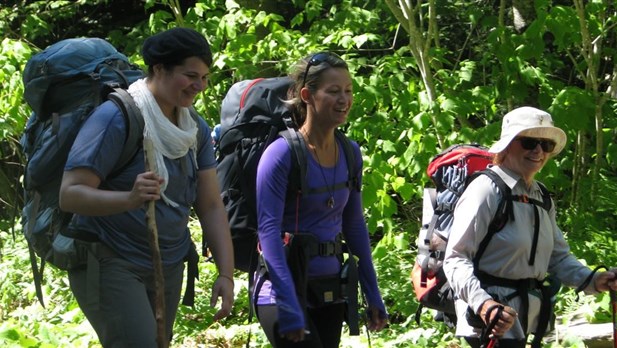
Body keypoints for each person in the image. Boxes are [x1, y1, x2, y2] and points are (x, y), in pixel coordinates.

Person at [59, 27, 235, 347]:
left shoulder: (193, 128)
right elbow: (70, 194)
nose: (200, 86)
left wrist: (226, 274)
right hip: (110, 259)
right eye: (190, 75)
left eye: (205, 77)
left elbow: (210, 204)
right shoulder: (116, 117)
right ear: (159, 69)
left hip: (168, 264)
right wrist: (129, 198)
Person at [442, 106, 617, 347]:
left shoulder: (541, 196)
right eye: (529, 142)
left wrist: (594, 280)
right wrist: (484, 304)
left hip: (527, 320)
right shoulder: (486, 190)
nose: (538, 150)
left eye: (545, 145)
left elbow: (556, 258)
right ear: (507, 144)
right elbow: (455, 258)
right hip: (488, 326)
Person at [252, 52, 388, 348]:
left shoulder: (350, 153)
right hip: (280, 291)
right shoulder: (280, 155)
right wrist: (288, 303)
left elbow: (354, 226)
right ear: (307, 95)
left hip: (329, 288)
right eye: (334, 91)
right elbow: (269, 232)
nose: (345, 99)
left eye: (349, 91)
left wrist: (372, 294)